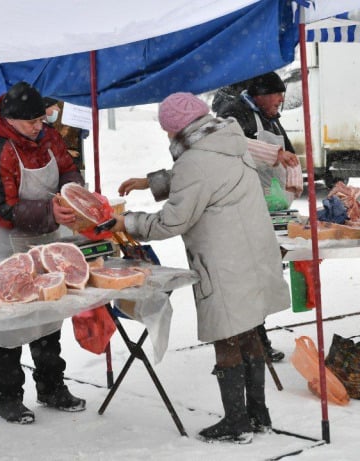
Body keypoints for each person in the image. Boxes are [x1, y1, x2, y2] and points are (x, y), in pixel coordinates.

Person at [112, 92, 291, 444]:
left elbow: (171, 221)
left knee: (226, 336)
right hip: (252, 252)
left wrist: (125, 222)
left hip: (225, 260)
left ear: (179, 131)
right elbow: (206, 174)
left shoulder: (194, 162)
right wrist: (150, 181)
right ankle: (259, 414)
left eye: (168, 132)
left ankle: (237, 422)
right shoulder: (229, 139)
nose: (167, 137)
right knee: (250, 331)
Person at [0, 81, 86, 424]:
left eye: (41, 118)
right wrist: (49, 212)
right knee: (11, 321)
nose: (39, 126)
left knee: (49, 311)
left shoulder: (47, 136)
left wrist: (73, 192)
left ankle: (51, 387)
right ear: (11, 119)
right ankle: (8, 398)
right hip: (4, 241)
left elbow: (66, 167)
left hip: (45, 235)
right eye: (32, 121)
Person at [213, 71, 300, 362]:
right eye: (276, 95)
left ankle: (256, 338)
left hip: (269, 204)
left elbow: (288, 152)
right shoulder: (235, 113)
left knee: (265, 272)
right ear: (260, 94)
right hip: (242, 207)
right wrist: (273, 153)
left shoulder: (270, 115)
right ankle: (251, 340)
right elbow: (231, 145)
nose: (281, 100)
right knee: (250, 276)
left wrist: (294, 177)